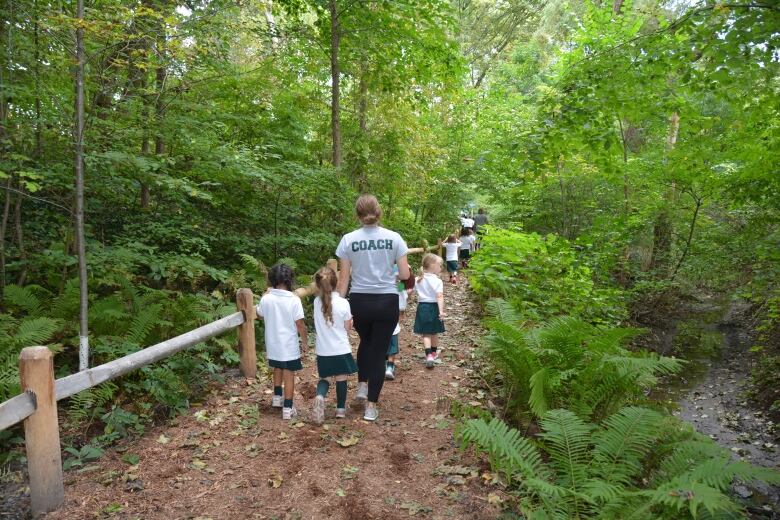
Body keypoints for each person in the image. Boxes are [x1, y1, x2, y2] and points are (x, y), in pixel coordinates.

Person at [336, 194, 413, 422]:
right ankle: (371, 407)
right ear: (379, 212)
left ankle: (361, 386)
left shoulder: (348, 240)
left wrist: (340, 307)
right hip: (386, 301)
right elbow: (406, 274)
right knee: (379, 352)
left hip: (359, 301)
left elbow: (343, 280)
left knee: (365, 343)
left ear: (358, 215)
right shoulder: (394, 238)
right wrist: (393, 274)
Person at [256, 264, 308, 420]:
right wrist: (305, 341)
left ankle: (277, 398)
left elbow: (260, 314)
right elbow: (300, 324)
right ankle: (287, 407)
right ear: (290, 280)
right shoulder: (293, 299)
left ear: (272, 280)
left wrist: (266, 294)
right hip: (289, 345)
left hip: (273, 343)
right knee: (289, 373)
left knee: (277, 367)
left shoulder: (266, 298)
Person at [311, 266, 357, 424]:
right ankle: (340, 409)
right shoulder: (344, 303)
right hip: (340, 349)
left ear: (318, 285)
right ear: (336, 283)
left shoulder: (316, 302)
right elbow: (347, 327)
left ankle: (319, 396)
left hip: (323, 350)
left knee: (325, 378)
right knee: (341, 378)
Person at [413, 253, 446, 369]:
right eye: (439, 266)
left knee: (426, 333)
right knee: (434, 332)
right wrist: (441, 311)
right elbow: (439, 296)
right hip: (434, 307)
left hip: (422, 307)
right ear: (432, 265)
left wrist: (399, 288)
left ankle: (428, 356)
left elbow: (406, 289)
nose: (440, 268)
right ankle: (433, 353)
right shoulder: (437, 281)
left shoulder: (418, 279)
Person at [385, 266, 410, 381]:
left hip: (381, 318)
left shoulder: (383, 285)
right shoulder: (400, 285)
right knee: (393, 344)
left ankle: (381, 366)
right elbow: (403, 298)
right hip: (393, 317)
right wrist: (402, 312)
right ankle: (389, 367)